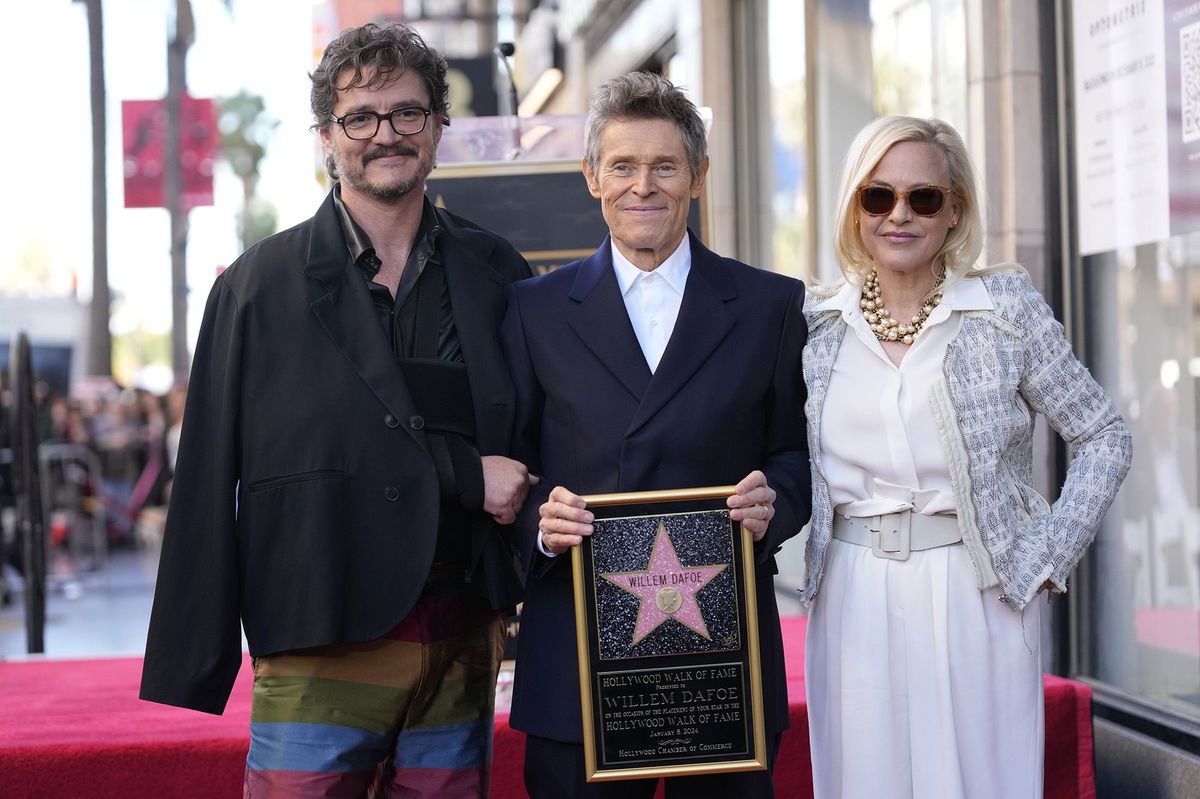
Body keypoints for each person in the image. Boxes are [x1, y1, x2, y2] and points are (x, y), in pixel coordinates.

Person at [140, 22, 535, 798]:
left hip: (462, 631)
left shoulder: (497, 271)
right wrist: (197, 648)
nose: (385, 134)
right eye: (361, 117)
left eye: (408, 113)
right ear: (327, 135)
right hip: (319, 627)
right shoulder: (255, 286)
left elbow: (535, 433)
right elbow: (208, 471)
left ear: (438, 126)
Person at [800, 115, 1132, 799]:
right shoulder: (814, 323)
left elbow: (1104, 434)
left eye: (923, 197)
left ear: (954, 210)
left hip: (977, 588)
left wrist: (1046, 554)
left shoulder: (1004, 309)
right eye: (877, 196)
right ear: (854, 207)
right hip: (851, 593)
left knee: (982, 781)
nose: (899, 214)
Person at [501, 72, 811, 798]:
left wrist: (776, 505)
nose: (644, 186)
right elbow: (508, 470)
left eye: (666, 166)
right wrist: (539, 525)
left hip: (721, 658)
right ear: (591, 177)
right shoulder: (531, 310)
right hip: (576, 658)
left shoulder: (770, 305)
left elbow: (793, 456)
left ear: (698, 177)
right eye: (623, 166)